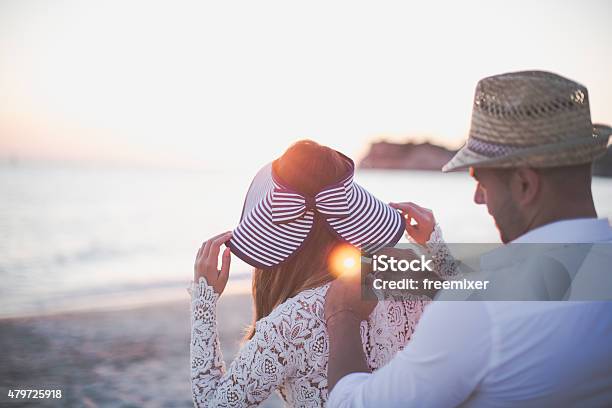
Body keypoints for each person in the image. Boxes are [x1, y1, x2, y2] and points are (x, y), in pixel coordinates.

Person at [325, 71, 612, 407]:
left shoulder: (479, 312)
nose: (478, 198)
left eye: (482, 182)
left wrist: (342, 314)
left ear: (524, 184)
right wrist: (436, 248)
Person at [188, 140, 458, 407]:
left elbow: (212, 403)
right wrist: (436, 247)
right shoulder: (404, 280)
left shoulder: (289, 324)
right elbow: (471, 309)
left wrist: (204, 300)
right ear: (354, 216)